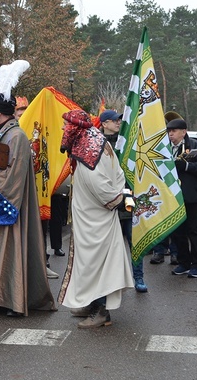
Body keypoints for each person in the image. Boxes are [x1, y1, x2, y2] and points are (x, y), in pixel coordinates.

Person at [0, 61, 55, 317]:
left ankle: (9, 298)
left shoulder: (16, 136)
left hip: (7, 205)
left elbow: (13, 175)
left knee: (7, 250)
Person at [59, 109, 134, 328]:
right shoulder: (97, 140)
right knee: (90, 262)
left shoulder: (87, 150)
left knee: (96, 263)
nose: (64, 129)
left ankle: (100, 311)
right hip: (94, 215)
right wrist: (118, 194)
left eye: (66, 126)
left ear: (74, 128)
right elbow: (117, 174)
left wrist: (115, 200)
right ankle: (90, 302)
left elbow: (98, 183)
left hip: (95, 218)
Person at [100, 109, 148, 292]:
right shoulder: (98, 144)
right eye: (114, 120)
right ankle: (114, 282)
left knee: (134, 241)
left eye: (119, 120)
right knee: (111, 246)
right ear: (105, 124)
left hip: (128, 198)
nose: (118, 123)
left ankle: (139, 278)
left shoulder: (127, 142)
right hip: (108, 201)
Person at [166, 118, 197, 278]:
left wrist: (186, 166)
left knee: (194, 231)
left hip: (193, 197)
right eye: (169, 131)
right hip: (173, 197)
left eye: (174, 131)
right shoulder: (165, 148)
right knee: (178, 232)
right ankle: (183, 262)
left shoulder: (196, 146)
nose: (170, 134)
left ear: (183, 132)